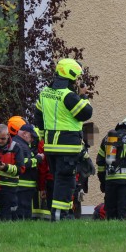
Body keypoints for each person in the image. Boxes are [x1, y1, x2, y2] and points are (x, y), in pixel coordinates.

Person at [34, 58, 93, 221]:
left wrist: (43, 137)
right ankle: (60, 215)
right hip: (67, 147)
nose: (77, 81)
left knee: (61, 181)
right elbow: (86, 112)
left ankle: (65, 214)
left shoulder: (45, 93)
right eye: (76, 78)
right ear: (70, 76)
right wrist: (83, 96)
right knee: (65, 182)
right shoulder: (68, 96)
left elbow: (38, 116)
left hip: (51, 147)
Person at [96, 116, 126, 220]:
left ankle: (110, 231)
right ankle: (123, 229)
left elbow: (100, 162)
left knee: (110, 209)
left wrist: (102, 181)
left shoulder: (106, 139)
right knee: (124, 209)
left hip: (109, 181)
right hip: (125, 182)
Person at [14, 123, 42, 220]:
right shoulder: (20, 145)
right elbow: (23, 164)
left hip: (25, 186)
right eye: (31, 136)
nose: (32, 139)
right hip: (23, 186)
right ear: (25, 133)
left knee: (24, 212)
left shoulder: (21, 144)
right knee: (23, 213)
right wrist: (38, 159)